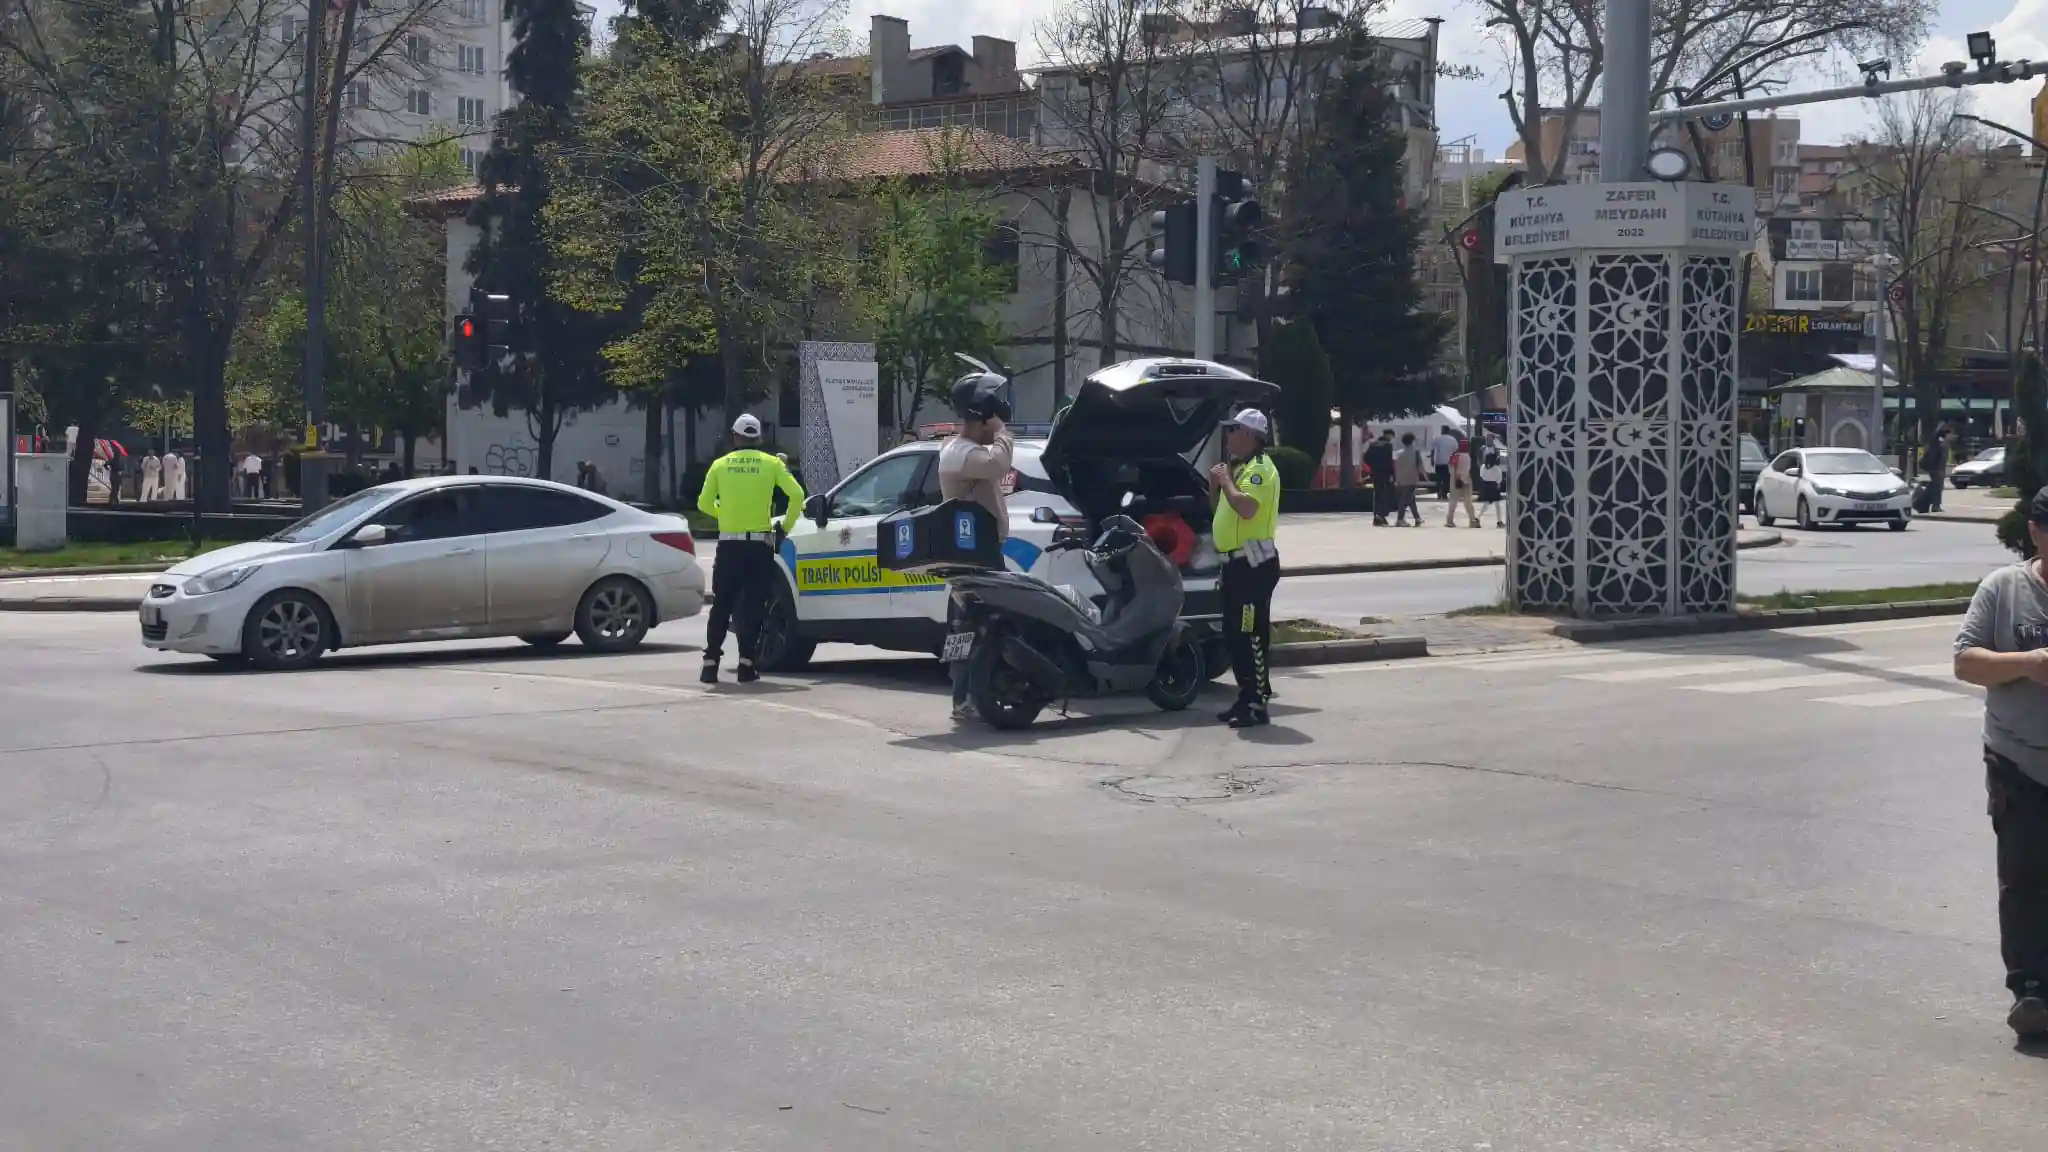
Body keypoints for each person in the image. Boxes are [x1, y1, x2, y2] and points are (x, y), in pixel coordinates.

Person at [1954, 487, 2048, 1042]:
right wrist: (2029, 663)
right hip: (2017, 758)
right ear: (2035, 532)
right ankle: (2031, 989)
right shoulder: (2004, 589)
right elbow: (1966, 662)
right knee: (2025, 876)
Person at [697, 414, 805, 685]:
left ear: (735, 437)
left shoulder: (720, 465)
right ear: (758, 438)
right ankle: (747, 664)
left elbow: (703, 503)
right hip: (759, 544)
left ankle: (710, 664)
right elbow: (798, 496)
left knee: (722, 605)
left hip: (729, 544)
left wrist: (725, 514)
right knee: (755, 606)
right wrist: (785, 528)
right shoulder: (772, 464)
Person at [938, 368, 1016, 722]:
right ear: (981, 415)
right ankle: (971, 695)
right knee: (982, 624)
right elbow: (999, 464)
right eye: (993, 414)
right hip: (976, 554)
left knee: (965, 625)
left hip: (972, 550)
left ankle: (967, 696)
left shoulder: (961, 450)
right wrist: (1003, 433)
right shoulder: (963, 453)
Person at [1210, 408, 1281, 729]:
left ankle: (1256, 703)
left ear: (1250, 435)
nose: (1228, 436)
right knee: (1235, 635)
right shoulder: (1242, 469)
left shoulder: (1260, 470)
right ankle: (1247, 695)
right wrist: (1218, 486)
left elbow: (1248, 509)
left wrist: (1225, 481)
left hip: (1252, 566)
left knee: (1250, 634)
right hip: (1236, 565)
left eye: (1234, 429)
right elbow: (1225, 510)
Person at [1364, 429, 1397, 527]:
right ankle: (1381, 515)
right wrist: (1393, 474)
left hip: (1375, 473)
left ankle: (1377, 516)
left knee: (1377, 494)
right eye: (1391, 436)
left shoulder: (1373, 445)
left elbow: (1366, 458)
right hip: (1386, 474)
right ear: (1389, 435)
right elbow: (1391, 462)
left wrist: (1374, 466)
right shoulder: (1388, 446)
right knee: (1387, 494)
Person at [1445, 435, 1480, 528]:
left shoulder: (1454, 455)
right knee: (1468, 502)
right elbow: (1467, 469)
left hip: (1454, 480)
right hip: (1466, 481)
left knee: (1453, 501)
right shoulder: (1467, 456)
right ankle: (1472, 520)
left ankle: (1449, 520)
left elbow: (1450, 468)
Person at [1393, 432, 1425, 527]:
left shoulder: (1398, 453)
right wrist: (1426, 477)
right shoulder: (1416, 452)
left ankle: (1417, 518)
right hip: (1411, 479)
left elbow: (1395, 466)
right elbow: (1420, 466)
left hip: (1400, 479)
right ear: (1413, 441)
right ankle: (1399, 519)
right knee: (1405, 500)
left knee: (1411, 500)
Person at [1477, 430, 1507, 528]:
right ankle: (1499, 521)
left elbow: (1482, 474)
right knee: (1496, 504)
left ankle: (1478, 518)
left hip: (1486, 482)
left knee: (1487, 503)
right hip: (1494, 486)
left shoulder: (1495, 449)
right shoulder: (1483, 449)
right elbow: (1499, 479)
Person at [1922, 426, 1952, 513]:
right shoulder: (1942, 444)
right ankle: (1935, 506)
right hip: (1937, 469)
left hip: (1937, 469)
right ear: (1946, 434)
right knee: (1938, 488)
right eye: (1950, 434)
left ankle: (1930, 504)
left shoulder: (1939, 442)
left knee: (1936, 487)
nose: (1952, 436)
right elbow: (1939, 458)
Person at [1430, 425, 1460, 502]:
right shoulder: (1453, 440)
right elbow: (1456, 452)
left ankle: (1439, 493)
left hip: (1439, 461)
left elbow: (1433, 450)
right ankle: (1445, 493)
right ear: (1449, 431)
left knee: (1439, 479)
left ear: (1442, 430)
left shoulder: (1437, 439)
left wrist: (1432, 460)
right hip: (1449, 463)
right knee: (1447, 479)